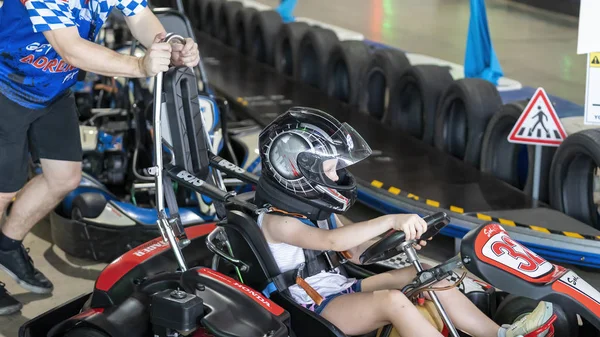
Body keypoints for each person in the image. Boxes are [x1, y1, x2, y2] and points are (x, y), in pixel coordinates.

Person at [253, 107, 554, 337]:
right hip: (313, 307)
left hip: (342, 287)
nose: (337, 177)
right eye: (331, 170)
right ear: (297, 171)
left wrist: (397, 239)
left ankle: (498, 334)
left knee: (428, 274)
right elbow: (332, 243)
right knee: (392, 301)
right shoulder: (278, 223)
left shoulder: (318, 213)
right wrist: (390, 220)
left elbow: (353, 251)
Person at [0, 0, 200, 315]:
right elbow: (71, 49)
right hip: (5, 86)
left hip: (53, 91)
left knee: (63, 178)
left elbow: (140, 17)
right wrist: (138, 66)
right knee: (3, 192)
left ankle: (7, 246)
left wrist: (170, 46)